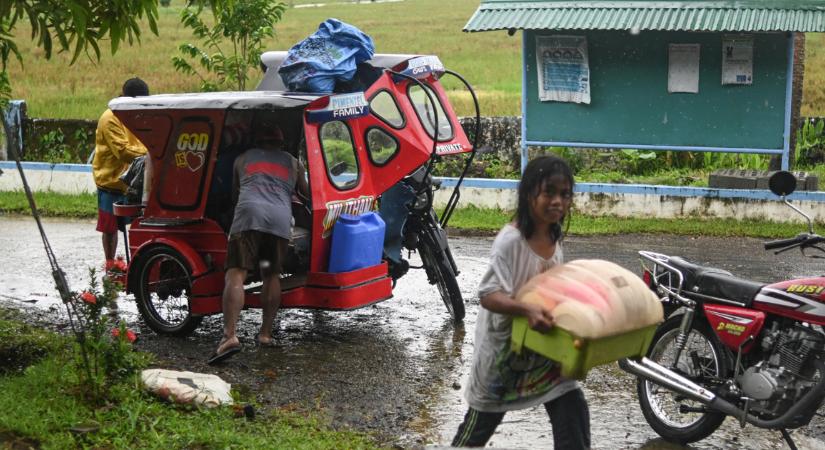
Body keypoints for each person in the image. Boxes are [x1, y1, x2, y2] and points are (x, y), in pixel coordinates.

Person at [452, 155, 590, 449]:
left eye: (565, 194)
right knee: (480, 424)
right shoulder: (510, 241)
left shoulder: (554, 234)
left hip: (543, 348)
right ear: (529, 195)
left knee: (572, 406)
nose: (558, 202)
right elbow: (489, 294)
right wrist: (526, 308)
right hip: (504, 354)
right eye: (549, 192)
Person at [209, 115, 309, 365]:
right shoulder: (294, 163)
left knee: (236, 274)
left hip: (248, 219)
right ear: (280, 142)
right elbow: (306, 193)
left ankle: (230, 336)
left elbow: (234, 194)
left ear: (256, 141)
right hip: (278, 223)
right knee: (270, 274)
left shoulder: (242, 159)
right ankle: (265, 333)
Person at [92, 77, 150, 271]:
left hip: (135, 180)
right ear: (124, 98)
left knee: (138, 223)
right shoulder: (110, 118)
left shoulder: (139, 114)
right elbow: (123, 152)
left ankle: (137, 262)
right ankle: (110, 264)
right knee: (110, 227)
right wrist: (154, 154)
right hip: (111, 180)